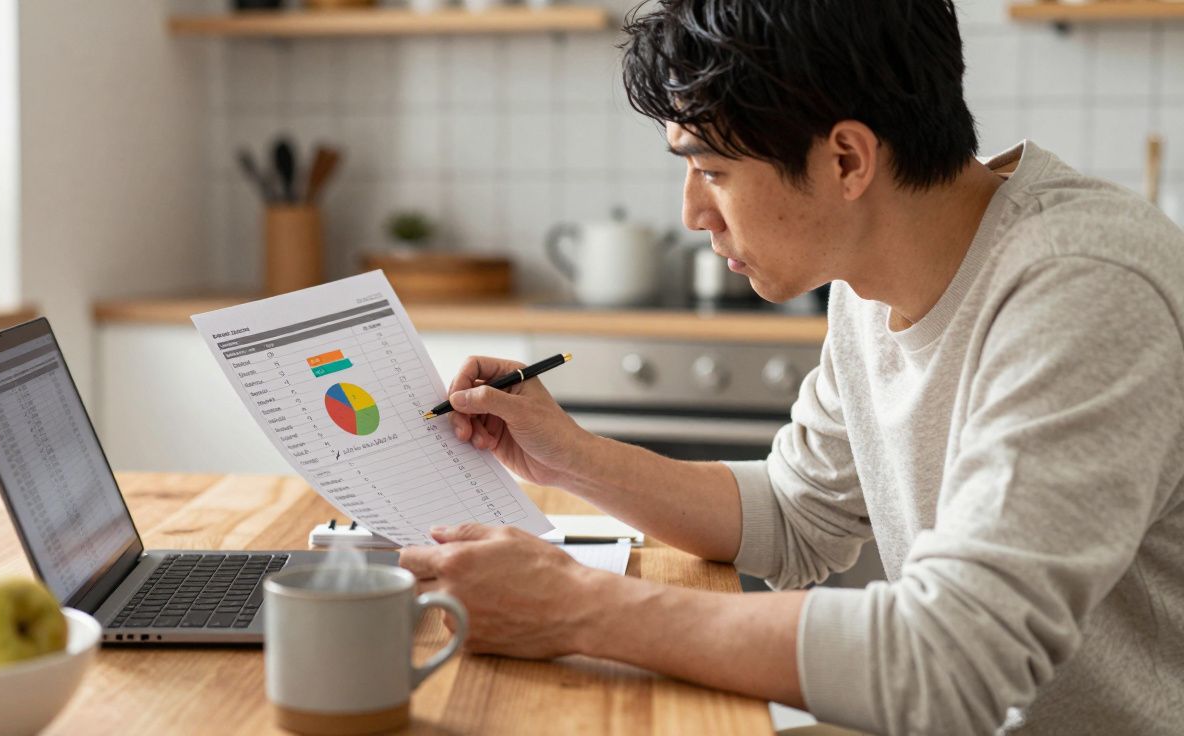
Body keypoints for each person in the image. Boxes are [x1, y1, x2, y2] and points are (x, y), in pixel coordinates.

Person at [398, 0, 1184, 733]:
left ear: (846, 160)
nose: (691, 213)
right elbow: (794, 514)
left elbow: (954, 656)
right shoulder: (868, 279)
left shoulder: (1082, 287)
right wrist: (569, 456)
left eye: (711, 170)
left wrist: (574, 606)